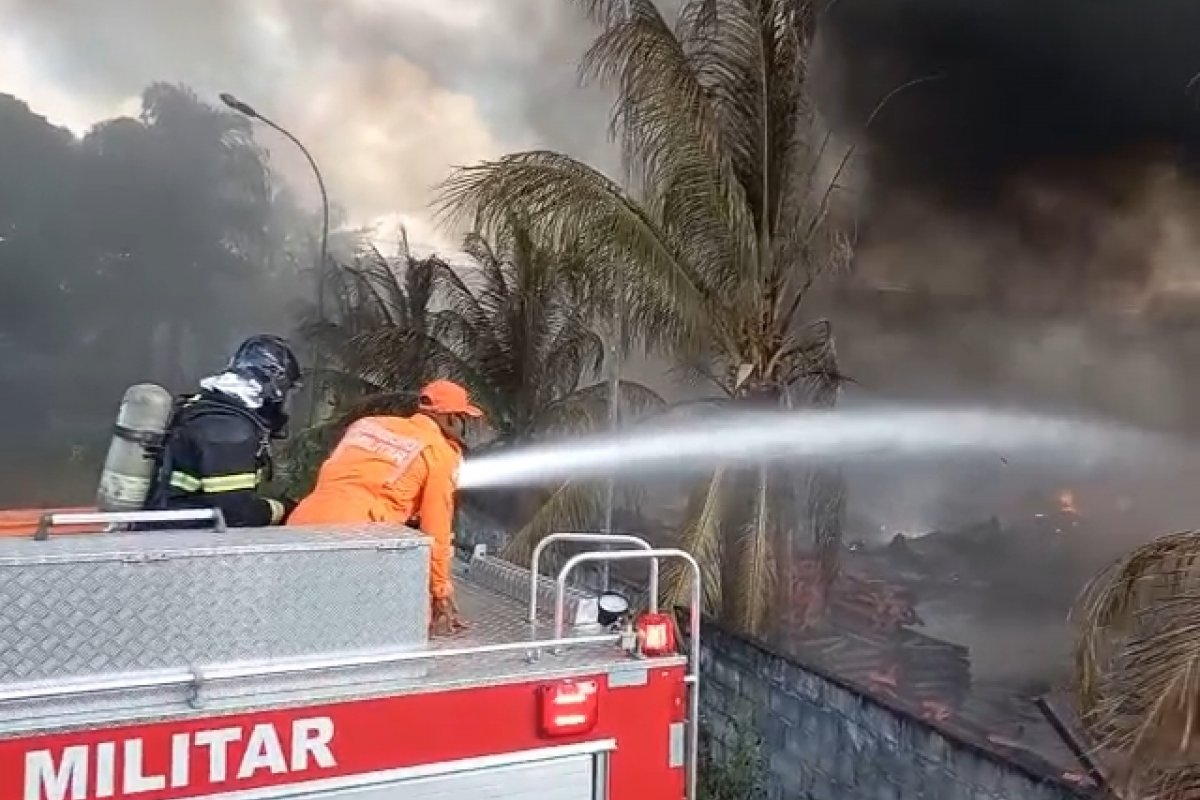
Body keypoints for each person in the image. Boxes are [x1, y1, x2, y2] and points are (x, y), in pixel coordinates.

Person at [288, 379, 482, 635]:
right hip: (356, 541)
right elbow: (436, 529)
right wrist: (440, 592)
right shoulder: (440, 453)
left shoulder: (367, 426)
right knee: (396, 627)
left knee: (303, 622)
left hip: (298, 528)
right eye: (462, 419)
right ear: (450, 418)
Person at [144, 335, 301, 528]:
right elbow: (236, 515)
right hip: (179, 539)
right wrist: (283, 509)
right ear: (273, 388)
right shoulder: (230, 433)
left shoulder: (211, 409)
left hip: (168, 529)